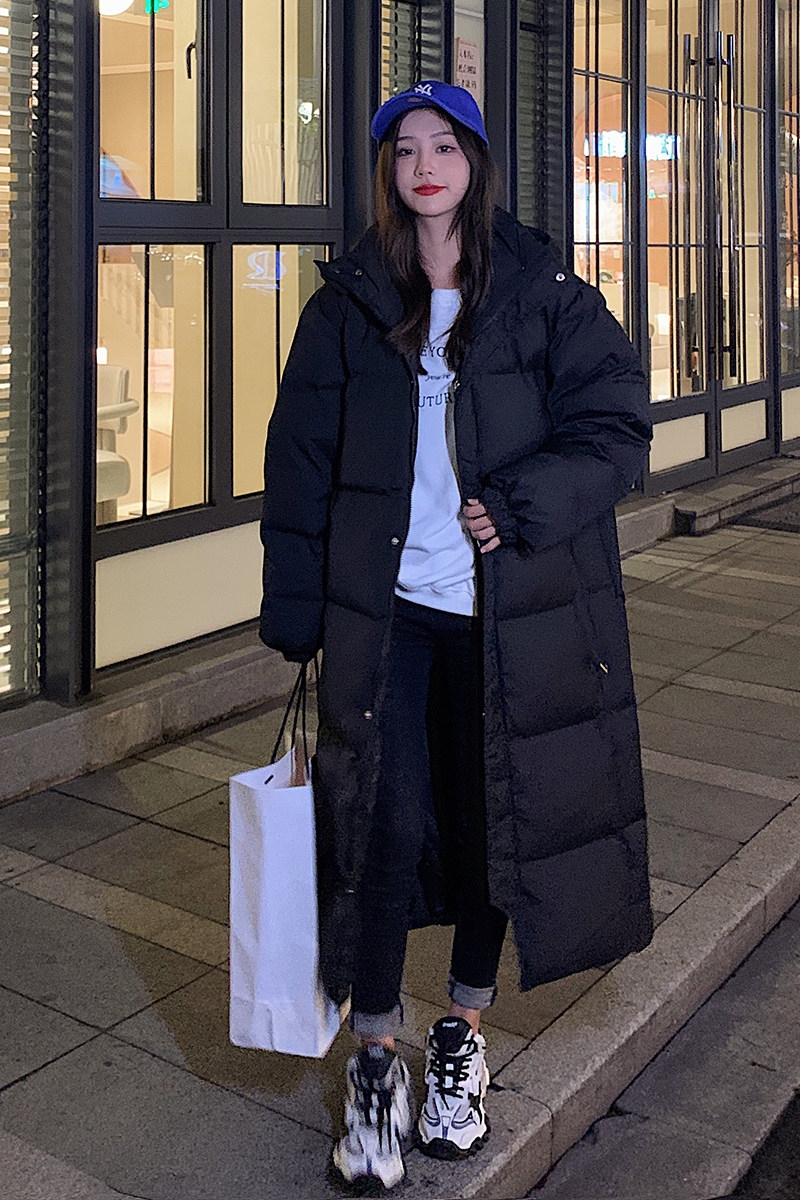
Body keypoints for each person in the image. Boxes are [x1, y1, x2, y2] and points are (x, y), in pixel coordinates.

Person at [259, 80, 654, 1190]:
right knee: (378, 834)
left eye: (444, 146)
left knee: (493, 829)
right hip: (388, 619)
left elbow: (618, 426)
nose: (424, 166)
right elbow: (299, 462)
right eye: (404, 150)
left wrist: (519, 504)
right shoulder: (347, 304)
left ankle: (461, 1041)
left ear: (476, 163)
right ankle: (373, 1060)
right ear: (386, 172)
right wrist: (295, 608)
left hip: (508, 617)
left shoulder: (542, 294)